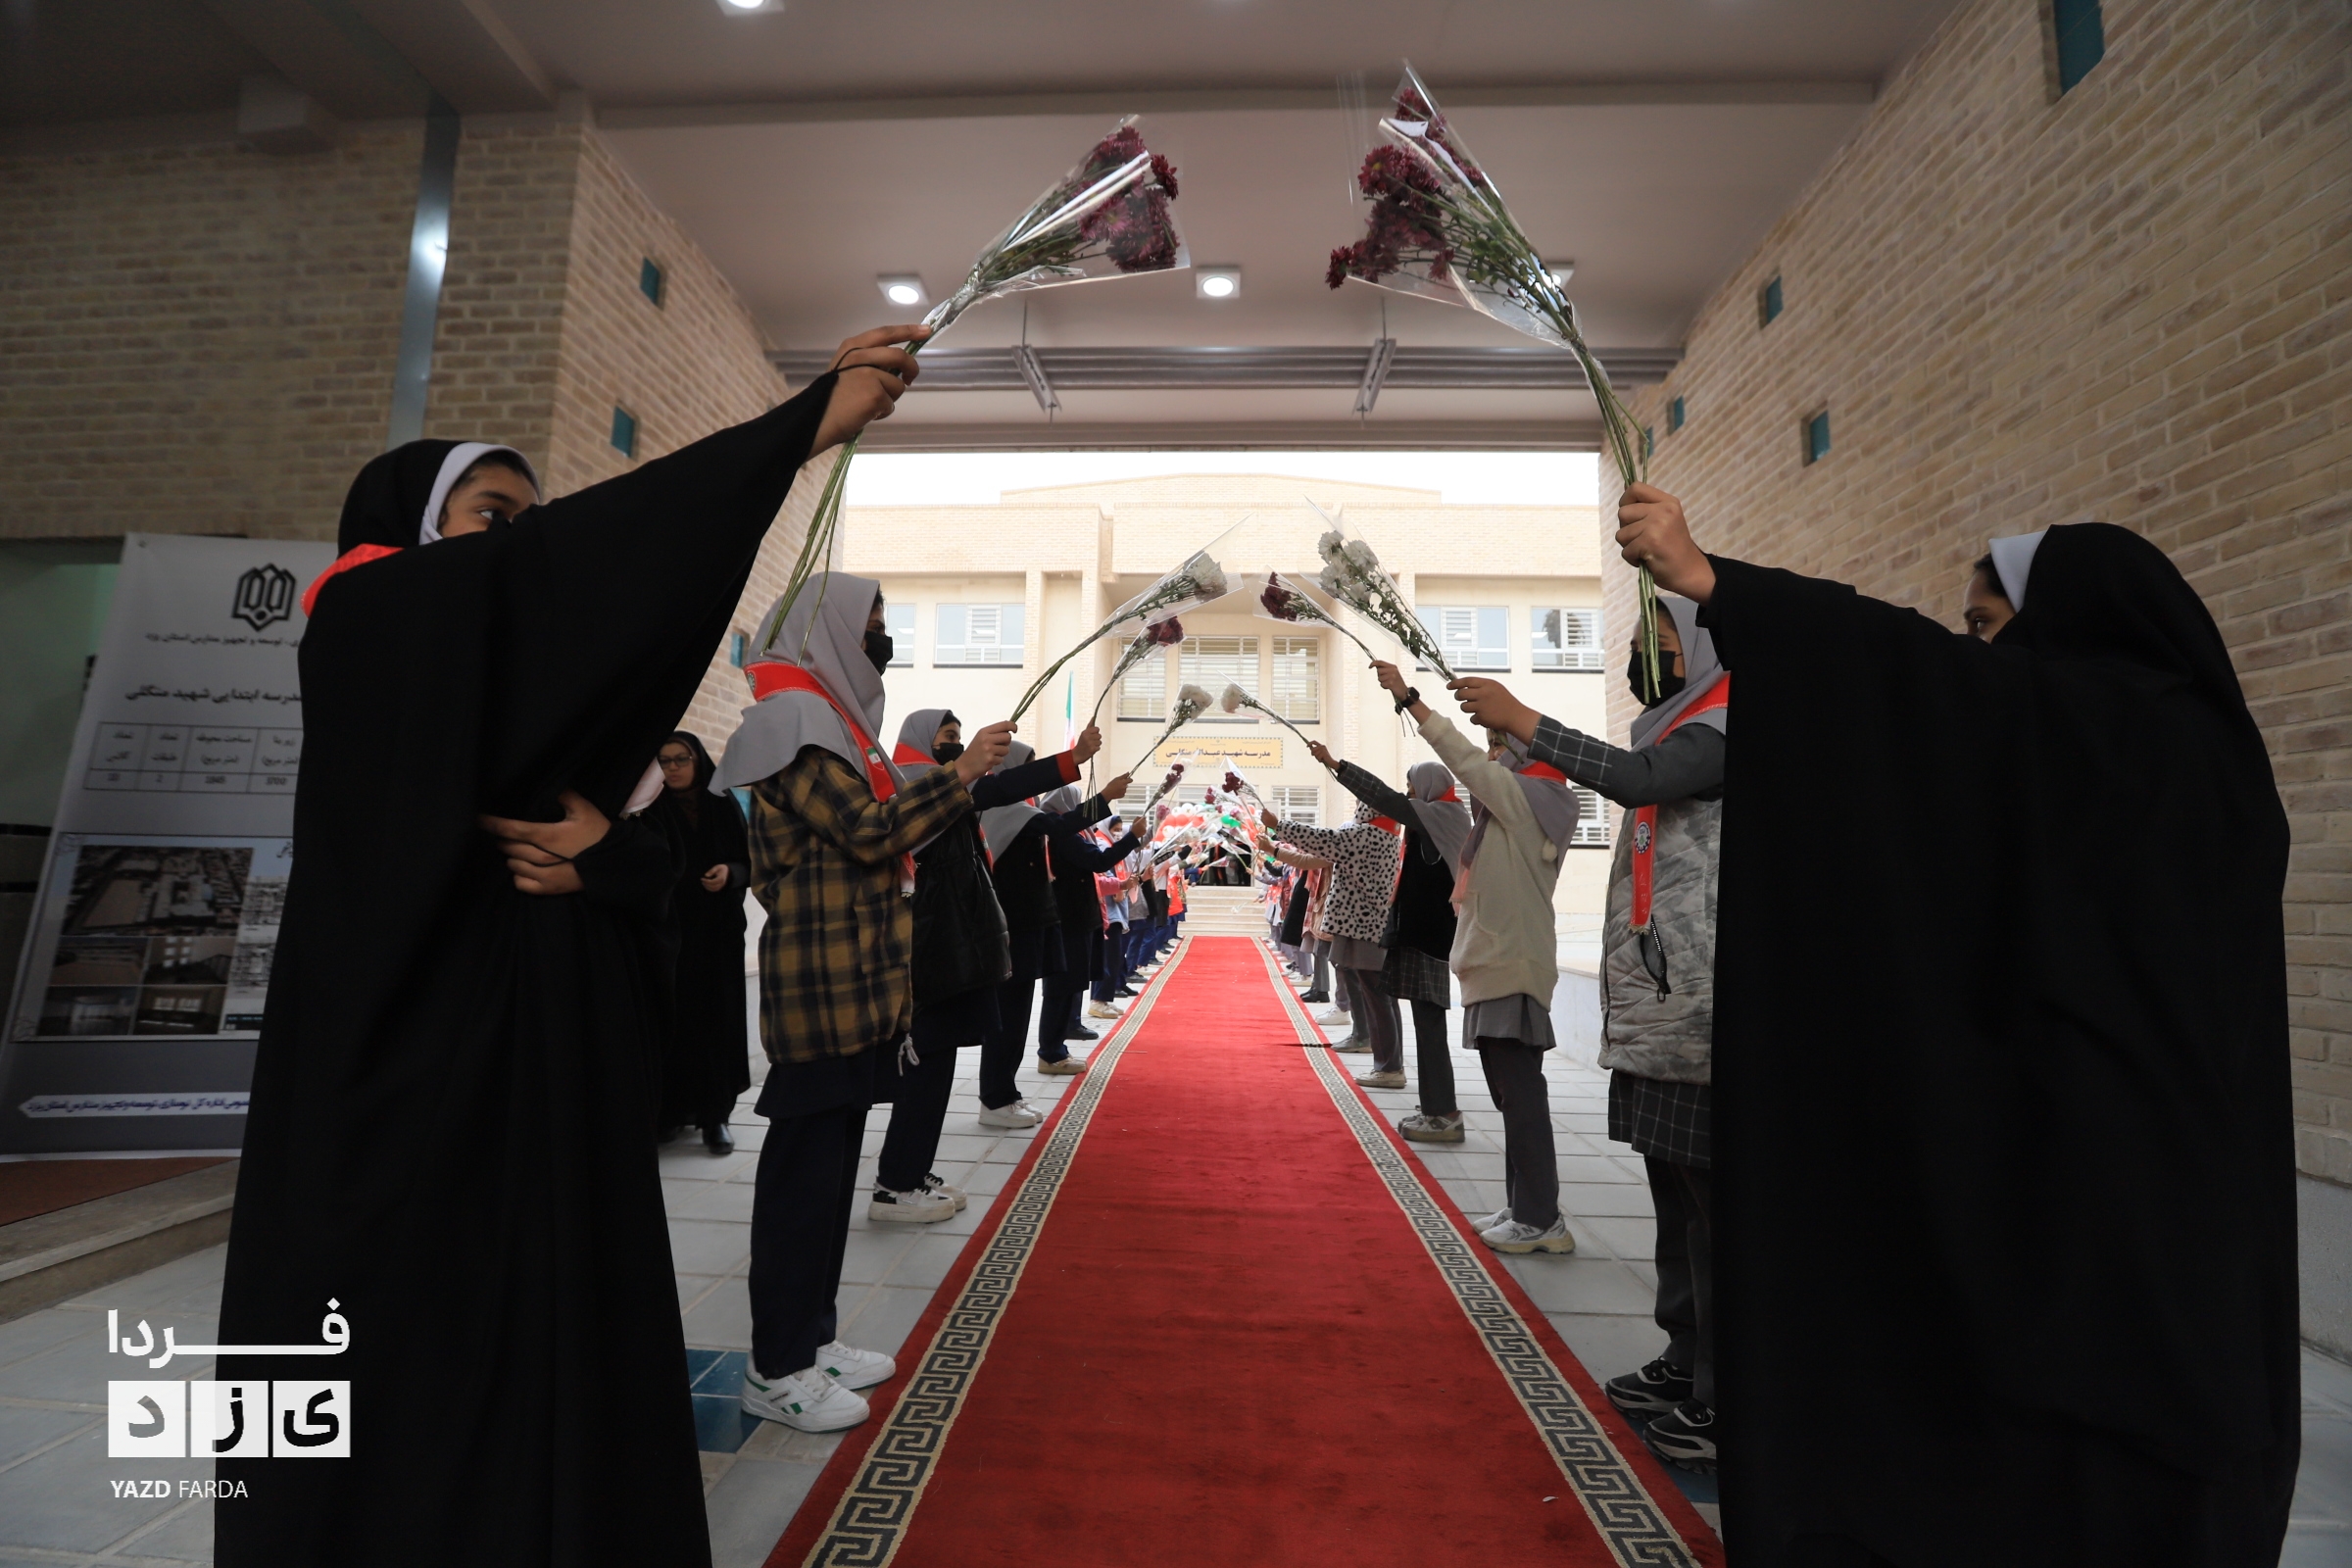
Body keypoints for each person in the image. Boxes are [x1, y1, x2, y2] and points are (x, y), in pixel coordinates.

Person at [215, 324, 926, 1566]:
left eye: (530, 522)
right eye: (492, 518)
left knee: (554, 1360)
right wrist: (791, 432)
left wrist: (609, 857)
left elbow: (646, 861)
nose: (521, 546)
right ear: (409, 529)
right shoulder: (367, 616)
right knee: (414, 1382)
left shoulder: (503, 686)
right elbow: (551, 586)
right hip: (409, 1101)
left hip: (543, 1091)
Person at [1608, 486, 2295, 1566]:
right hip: (2152, 1153)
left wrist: (1715, 583)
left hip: (2095, 1153)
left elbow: (1910, 676)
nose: (1977, 654)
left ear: (2071, 617)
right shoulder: (2196, 747)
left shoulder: (2107, 729)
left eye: (1987, 623)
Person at [712, 572, 1013, 1435]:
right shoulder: (793, 728)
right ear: (827, 632)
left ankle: (813, 1339)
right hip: (823, 984)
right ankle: (777, 1366)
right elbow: (871, 830)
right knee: (802, 1181)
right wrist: (961, 772)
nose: (881, 635)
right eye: (871, 621)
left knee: (832, 1171)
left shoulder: (828, 725)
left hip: (858, 984)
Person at [1450, 600, 1729, 1473]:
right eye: (1640, 643)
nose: (1646, 658)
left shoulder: (1720, 725)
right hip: (1656, 1005)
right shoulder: (1667, 727)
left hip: (1704, 1005)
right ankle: (1684, 1356)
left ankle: (1726, 1396)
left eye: (1662, 642)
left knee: (1714, 1214)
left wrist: (1527, 721)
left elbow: (1637, 779)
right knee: (1673, 1196)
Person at [1376, 660, 1580, 1255]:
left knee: (1521, 1095)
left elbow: (1463, 762)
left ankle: (1541, 1218)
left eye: (1499, 745)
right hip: (1498, 961)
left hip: (1511, 963)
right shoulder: (1516, 804)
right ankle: (1527, 1206)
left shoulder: (1530, 797)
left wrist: (1411, 700)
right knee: (1512, 1095)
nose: (1490, 756)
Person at [868, 708, 1092, 1223]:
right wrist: (1067, 760)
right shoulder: (911, 785)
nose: (957, 745)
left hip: (953, 942)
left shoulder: (945, 786)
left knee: (939, 1061)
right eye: (948, 737)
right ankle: (894, 1184)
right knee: (924, 1061)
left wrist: (1071, 760)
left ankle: (912, 1170)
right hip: (929, 945)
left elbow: (997, 789)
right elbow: (996, 789)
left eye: (959, 737)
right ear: (921, 741)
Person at [1307, 747, 1471, 1139]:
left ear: (1428, 786)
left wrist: (1336, 765)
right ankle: (1434, 1107)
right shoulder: (1438, 817)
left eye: (1412, 786)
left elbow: (1385, 798)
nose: (1409, 793)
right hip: (1420, 935)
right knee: (1425, 1025)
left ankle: (1444, 1114)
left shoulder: (1443, 814)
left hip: (1430, 937)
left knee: (1430, 1026)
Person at [975, 744, 1119, 1126]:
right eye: (1027, 768)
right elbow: (1058, 826)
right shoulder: (1005, 808)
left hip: (1030, 922)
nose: (1033, 776)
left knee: (1017, 1013)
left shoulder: (1022, 808)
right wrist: (1104, 798)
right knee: (1007, 1015)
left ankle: (1005, 1094)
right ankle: (994, 1097)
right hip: (1013, 924)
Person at [645, 731, 752, 1154]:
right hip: (667, 935)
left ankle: (715, 1116)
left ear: (698, 761)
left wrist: (730, 872)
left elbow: (750, 860)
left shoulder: (721, 803)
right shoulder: (649, 809)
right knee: (672, 1021)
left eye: (681, 759)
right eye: (664, 761)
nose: (672, 768)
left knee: (718, 1021)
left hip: (717, 934)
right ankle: (670, 1112)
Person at [1263, 801, 1405, 1089]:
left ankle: (1389, 1067)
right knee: (1382, 999)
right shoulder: (1388, 831)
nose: (1357, 808)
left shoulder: (1366, 834)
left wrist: (1278, 825)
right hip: (1371, 926)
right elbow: (1316, 852)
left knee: (1377, 999)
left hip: (1362, 927)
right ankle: (1389, 1063)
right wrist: (1275, 847)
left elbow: (1320, 840)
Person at [1037, 796, 1140, 1071]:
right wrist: (1131, 838)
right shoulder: (1063, 833)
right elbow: (1098, 861)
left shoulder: (1069, 832)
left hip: (1076, 919)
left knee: (1069, 986)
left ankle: (1057, 1048)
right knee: (1061, 989)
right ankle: (1051, 1052)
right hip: (1069, 919)